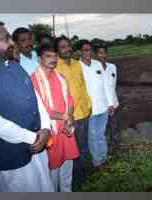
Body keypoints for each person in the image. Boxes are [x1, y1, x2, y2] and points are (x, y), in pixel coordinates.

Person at [0, 21, 54, 192]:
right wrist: (33, 137)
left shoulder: (13, 64)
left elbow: (36, 99)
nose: (11, 43)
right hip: (11, 155)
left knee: (45, 187)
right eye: (5, 39)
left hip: (38, 144)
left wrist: (45, 128)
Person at [31, 44, 79, 192]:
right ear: (39, 58)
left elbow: (70, 99)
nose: (53, 59)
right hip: (50, 132)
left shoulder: (60, 77)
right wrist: (65, 116)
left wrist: (69, 116)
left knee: (67, 167)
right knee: (52, 171)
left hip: (66, 128)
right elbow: (42, 109)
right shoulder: (33, 80)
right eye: (48, 56)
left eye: (55, 56)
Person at [54, 36, 92, 185]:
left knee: (83, 146)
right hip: (70, 116)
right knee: (72, 149)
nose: (67, 49)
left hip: (83, 111)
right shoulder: (55, 66)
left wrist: (89, 104)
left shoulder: (77, 64)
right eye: (63, 47)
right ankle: (77, 179)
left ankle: (83, 174)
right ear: (57, 50)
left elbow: (83, 86)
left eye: (68, 46)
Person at [77, 40, 109, 170]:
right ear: (79, 52)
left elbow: (105, 84)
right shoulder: (77, 66)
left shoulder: (97, 64)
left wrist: (110, 103)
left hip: (103, 106)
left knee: (101, 134)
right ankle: (97, 162)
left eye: (90, 50)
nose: (88, 52)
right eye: (85, 50)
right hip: (90, 109)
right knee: (93, 136)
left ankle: (103, 157)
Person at [94, 44, 121, 154]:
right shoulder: (94, 68)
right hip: (101, 106)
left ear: (107, 54)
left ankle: (116, 149)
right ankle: (103, 152)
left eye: (104, 52)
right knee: (101, 131)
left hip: (113, 104)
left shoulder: (113, 67)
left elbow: (112, 86)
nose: (102, 55)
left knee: (114, 129)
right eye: (99, 53)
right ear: (96, 55)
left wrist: (112, 103)